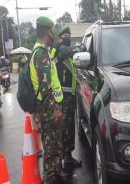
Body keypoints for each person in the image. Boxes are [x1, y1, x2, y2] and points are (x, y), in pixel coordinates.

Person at [30, 16, 64, 184]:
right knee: (51, 146)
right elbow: (45, 85)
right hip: (48, 108)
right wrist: (56, 108)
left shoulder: (41, 50)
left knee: (54, 143)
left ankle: (55, 174)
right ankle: (50, 178)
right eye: (52, 31)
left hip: (47, 107)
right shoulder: (41, 53)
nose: (54, 34)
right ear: (47, 31)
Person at [51, 27, 82, 178]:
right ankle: (63, 160)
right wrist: (77, 47)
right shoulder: (59, 49)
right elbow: (66, 52)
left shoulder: (63, 51)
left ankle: (67, 158)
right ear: (60, 38)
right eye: (66, 36)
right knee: (65, 129)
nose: (68, 37)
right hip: (63, 97)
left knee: (69, 128)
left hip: (69, 96)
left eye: (70, 35)